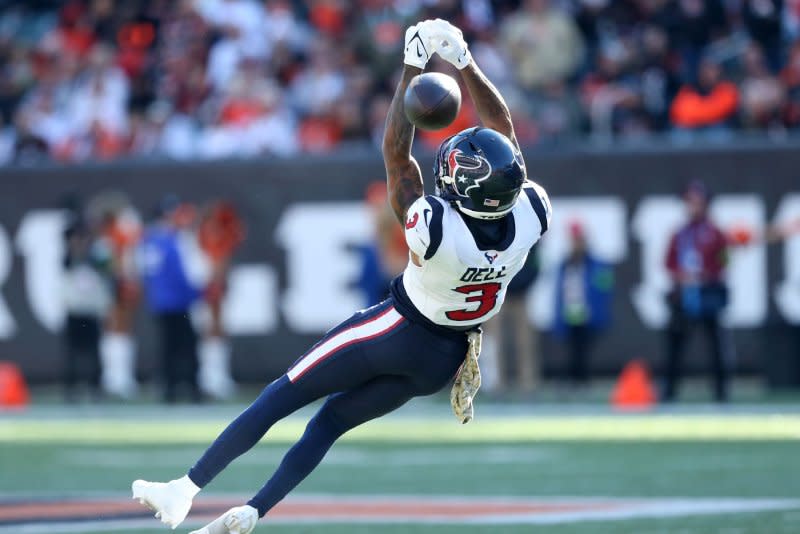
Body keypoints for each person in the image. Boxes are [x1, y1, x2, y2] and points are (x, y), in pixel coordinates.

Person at [131, 18, 552, 534]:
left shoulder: (437, 227)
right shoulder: (531, 213)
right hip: (444, 359)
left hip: (399, 331)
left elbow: (398, 157)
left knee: (283, 393)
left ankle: (185, 489)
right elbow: (505, 137)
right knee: (329, 423)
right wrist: (465, 63)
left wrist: (413, 66)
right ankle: (252, 512)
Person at [662, 181, 731, 403]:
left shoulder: (715, 232)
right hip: (685, 295)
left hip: (708, 293)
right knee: (676, 343)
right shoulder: (680, 233)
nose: (692, 207)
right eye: (689, 202)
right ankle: (670, 390)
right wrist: (682, 276)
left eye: (696, 202)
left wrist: (709, 274)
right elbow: (668, 263)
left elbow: (725, 260)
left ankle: (721, 391)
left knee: (716, 343)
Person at [138, 196, 207, 403]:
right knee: (186, 345)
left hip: (160, 299)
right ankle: (190, 387)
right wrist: (196, 294)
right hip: (177, 299)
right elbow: (178, 272)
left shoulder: (148, 238)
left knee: (168, 346)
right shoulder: (170, 239)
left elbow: (145, 272)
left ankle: (170, 388)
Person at [553, 220, 613, 387]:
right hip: (571, 311)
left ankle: (583, 380)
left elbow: (604, 285)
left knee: (584, 347)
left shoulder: (593, 263)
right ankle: (575, 380)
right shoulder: (566, 263)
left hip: (586, 312)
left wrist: (598, 309)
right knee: (572, 347)